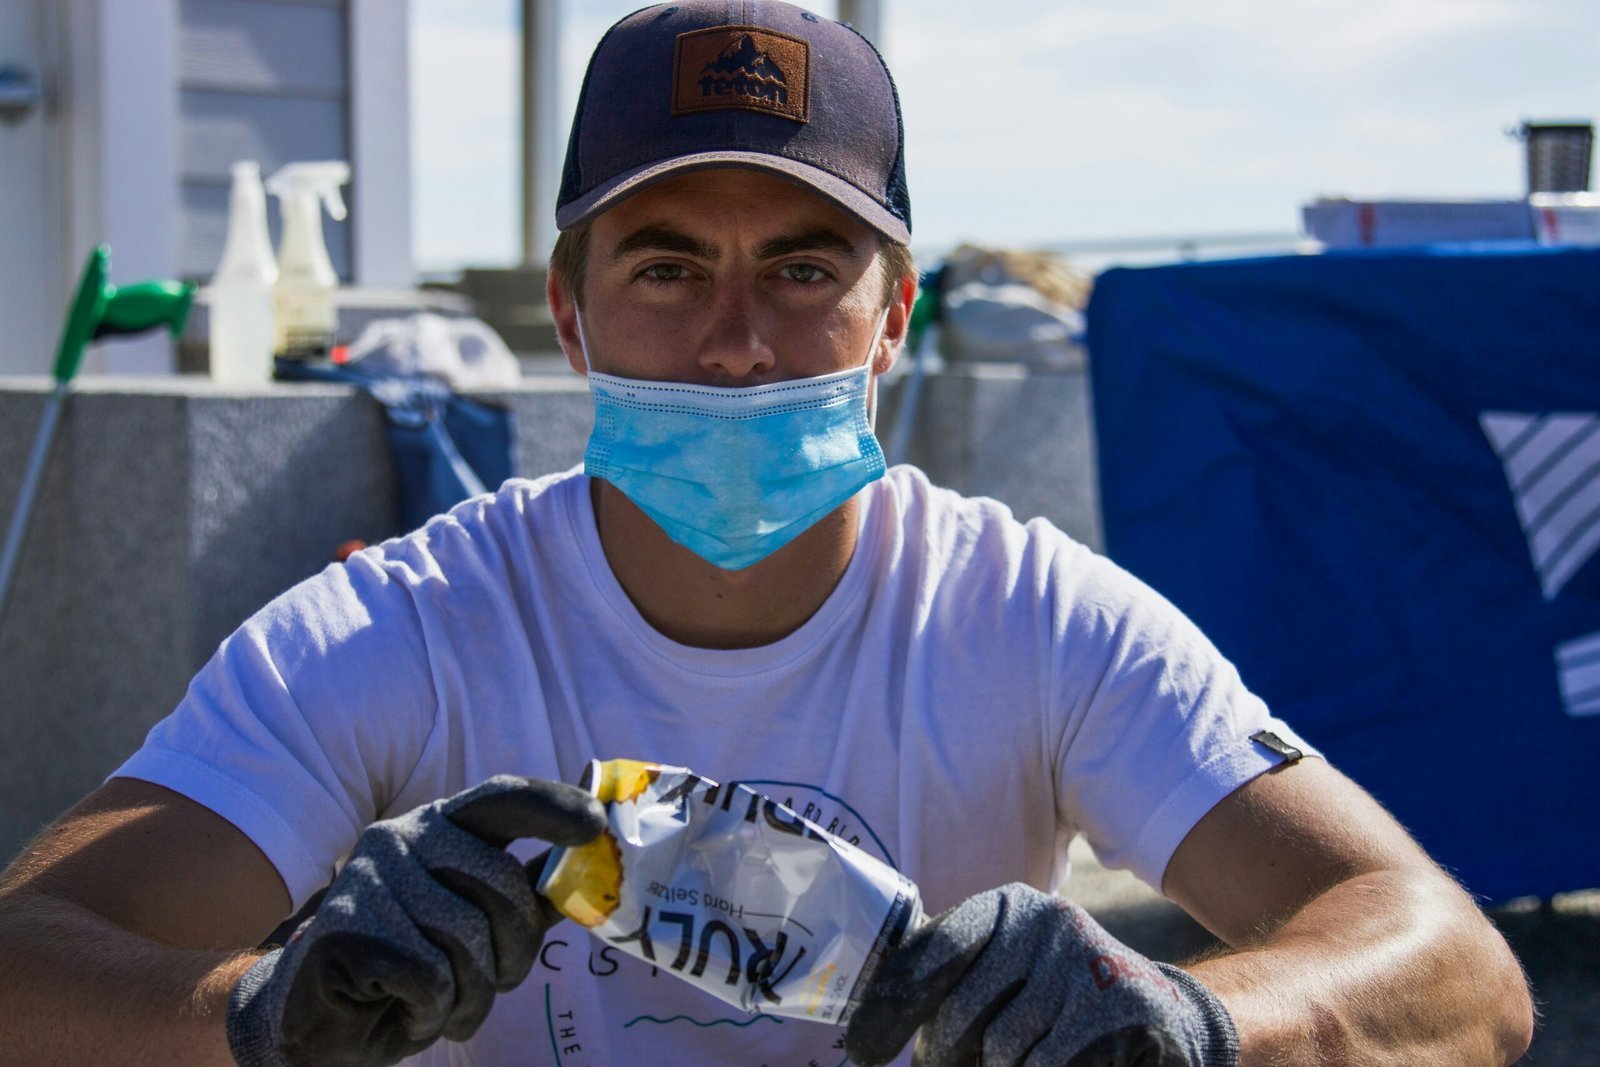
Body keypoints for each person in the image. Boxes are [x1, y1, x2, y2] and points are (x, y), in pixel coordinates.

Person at [0, 3, 1534, 1065]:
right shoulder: (397, 633)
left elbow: (1454, 974)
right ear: (569, 312)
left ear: (892, 318)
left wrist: (1186, 1025)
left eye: (805, 269)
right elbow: (27, 967)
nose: (738, 342)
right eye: (667, 268)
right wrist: (267, 1016)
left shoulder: (1032, 618)